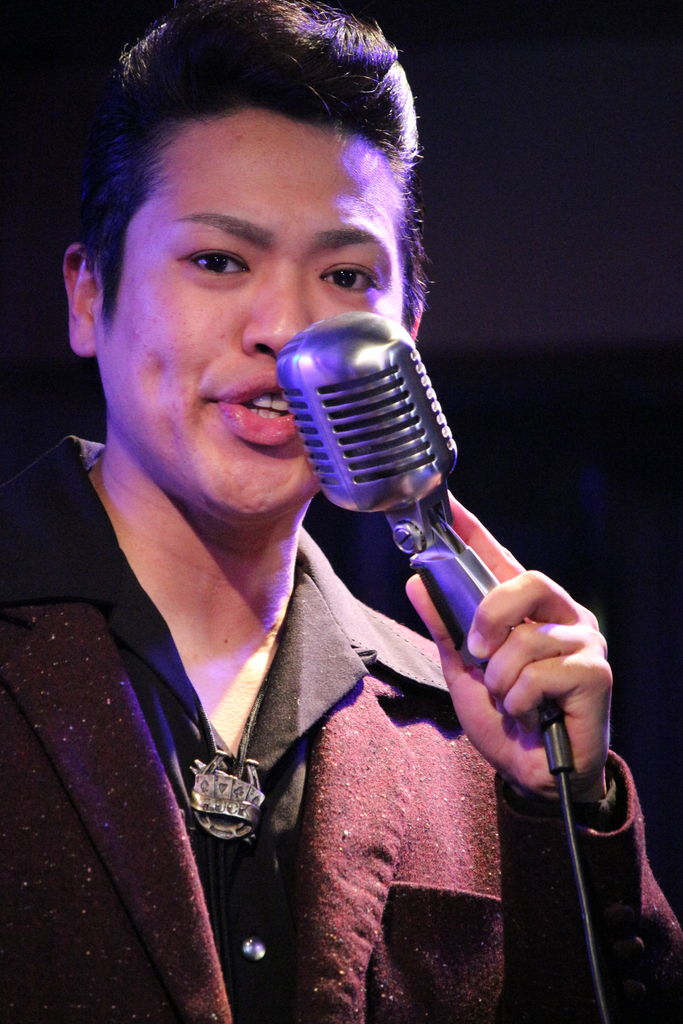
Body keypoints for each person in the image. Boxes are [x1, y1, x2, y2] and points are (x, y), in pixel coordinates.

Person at [0, 1, 681, 1021]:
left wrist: (560, 808)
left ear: (405, 334)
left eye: (345, 275)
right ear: (89, 295)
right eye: (218, 261)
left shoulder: (462, 722)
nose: (286, 328)